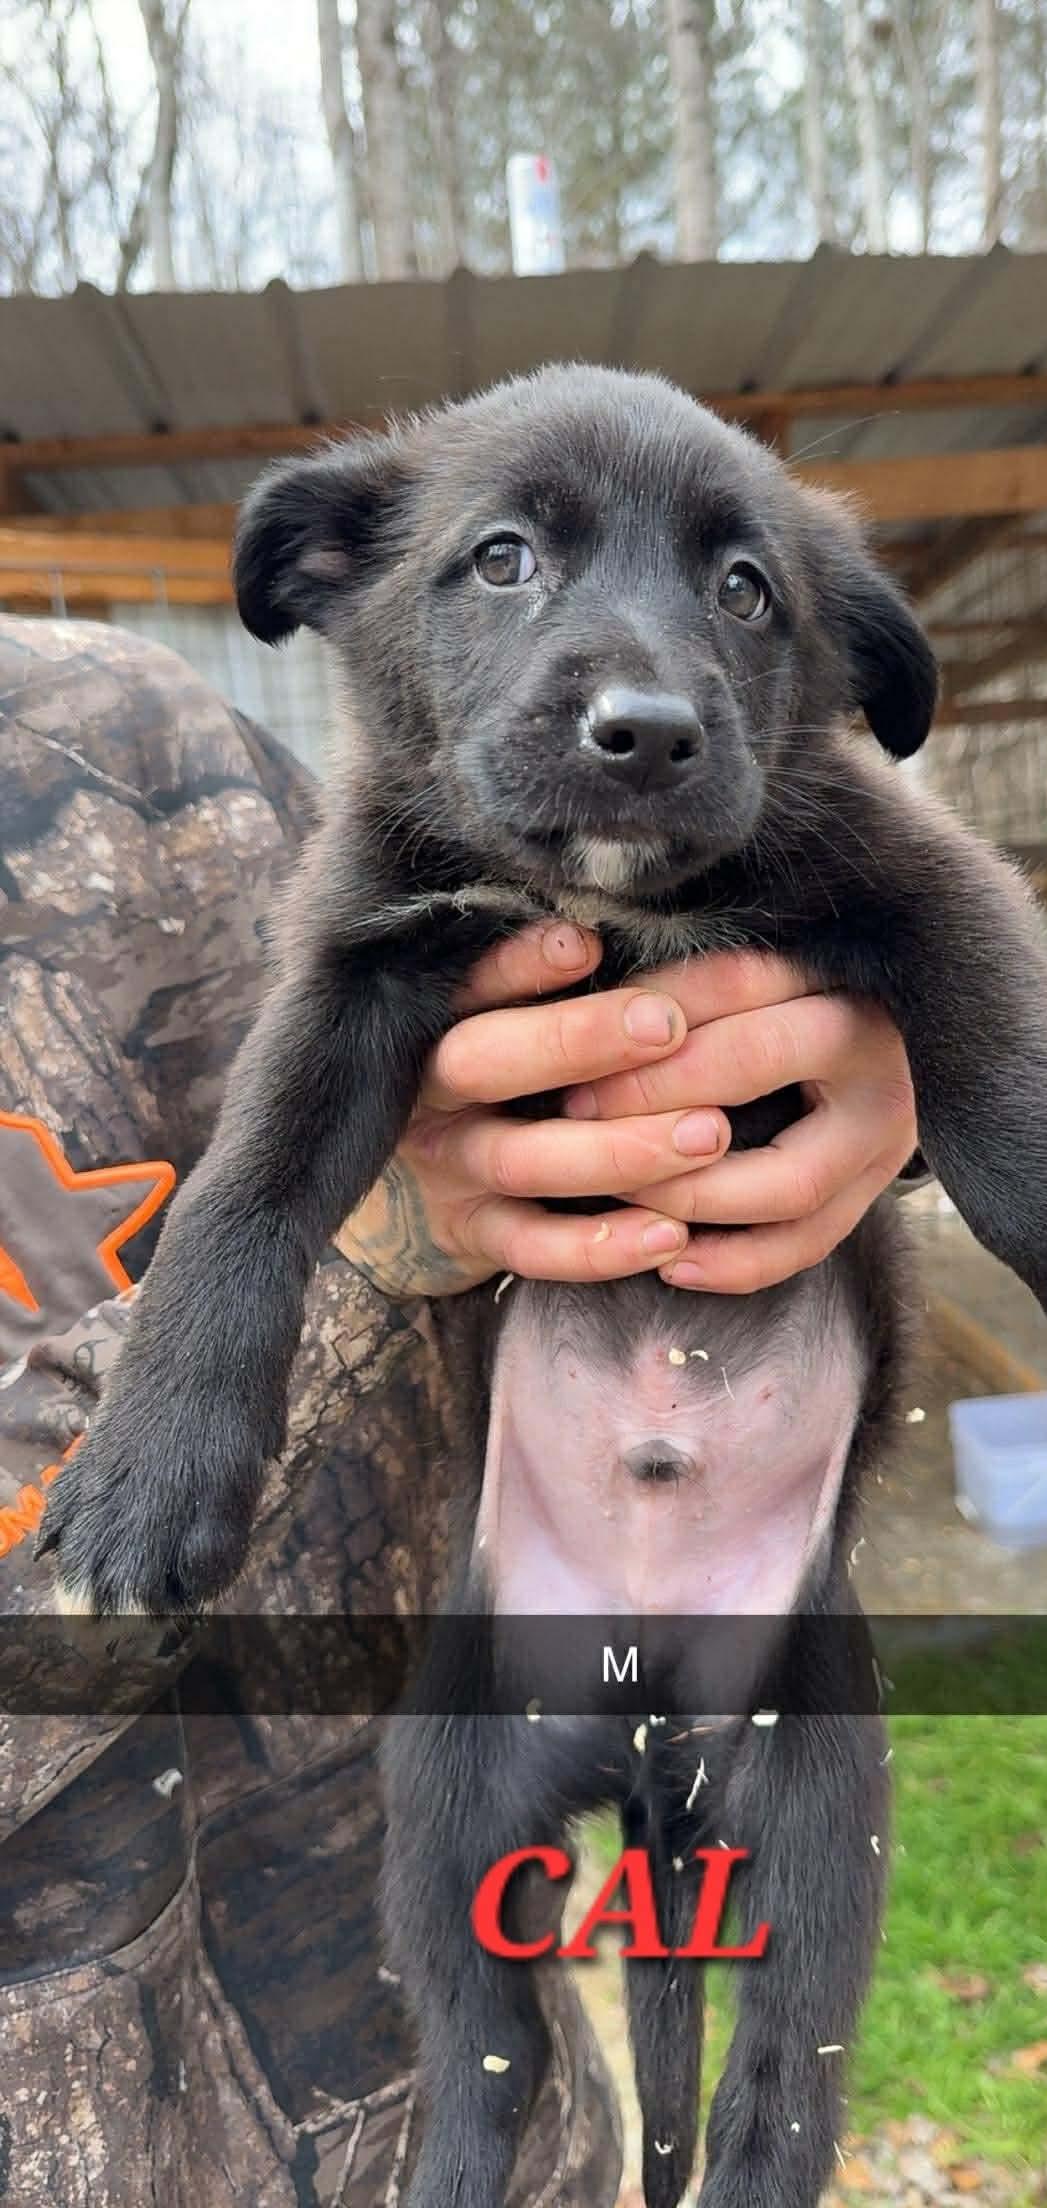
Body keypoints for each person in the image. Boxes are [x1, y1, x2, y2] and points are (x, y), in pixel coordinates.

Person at [0, 613, 918, 2206]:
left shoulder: (126, 737)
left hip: (434, 2071)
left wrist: (810, 1092)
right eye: (504, 566)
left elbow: (467, 1030)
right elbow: (365, 1186)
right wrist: (385, 1235)